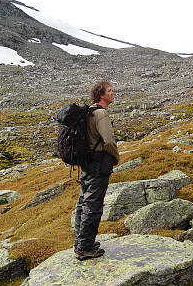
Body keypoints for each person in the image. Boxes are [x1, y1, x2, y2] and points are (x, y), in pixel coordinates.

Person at [74, 79, 120, 260]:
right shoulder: (101, 114)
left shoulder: (88, 112)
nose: (112, 93)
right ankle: (85, 248)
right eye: (109, 90)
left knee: (83, 203)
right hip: (98, 164)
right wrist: (116, 157)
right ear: (101, 94)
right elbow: (109, 141)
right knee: (93, 206)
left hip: (87, 163)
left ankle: (81, 242)